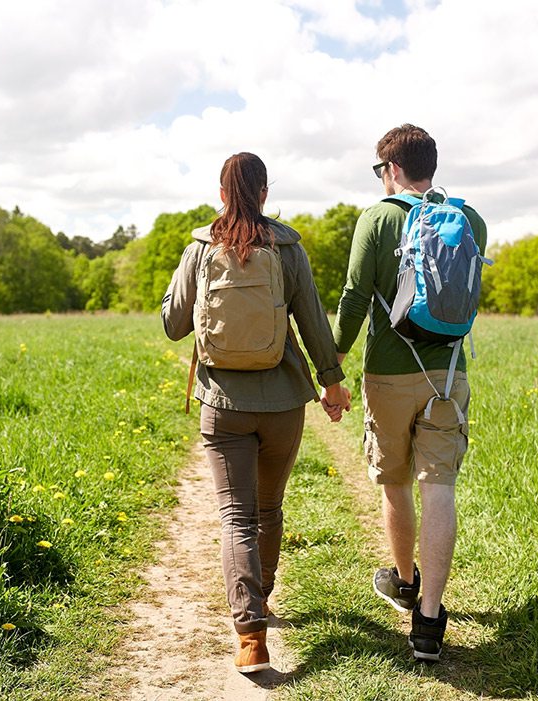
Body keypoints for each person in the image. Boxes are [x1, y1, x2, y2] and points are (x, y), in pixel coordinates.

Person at [162, 152, 351, 674]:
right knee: (268, 509)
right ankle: (262, 596)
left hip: (222, 404)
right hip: (284, 403)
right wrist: (332, 384)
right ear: (265, 193)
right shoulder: (288, 248)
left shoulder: (198, 250)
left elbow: (175, 325)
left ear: (221, 194)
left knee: (235, 518)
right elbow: (313, 321)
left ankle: (251, 637)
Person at [330, 124, 487, 662]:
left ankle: (402, 582)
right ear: (431, 167)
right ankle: (429, 622)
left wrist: (335, 363)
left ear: (391, 170)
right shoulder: (471, 220)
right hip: (448, 375)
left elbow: (354, 296)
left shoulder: (378, 217)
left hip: (391, 374)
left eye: (380, 170)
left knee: (394, 479)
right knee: (438, 485)